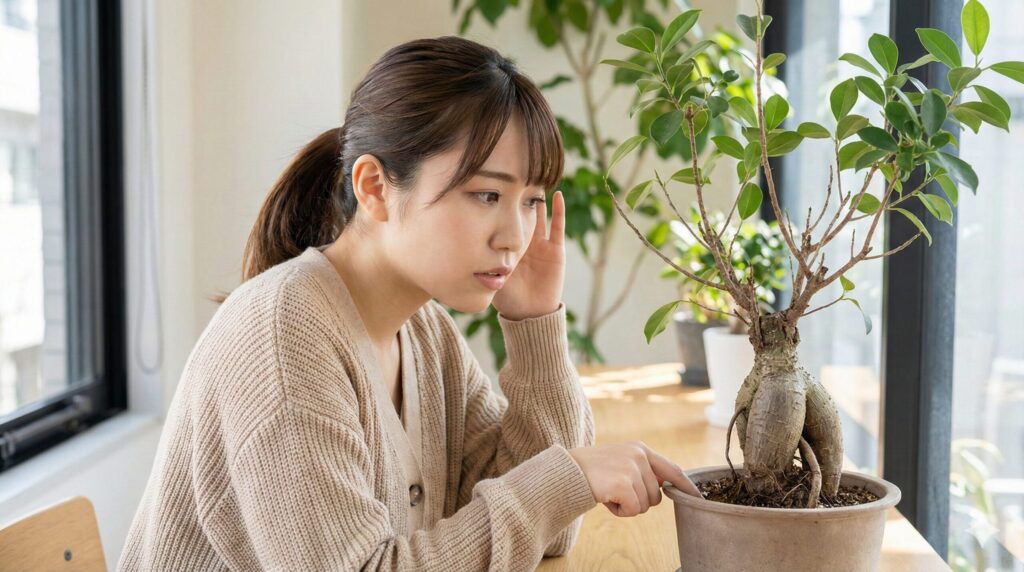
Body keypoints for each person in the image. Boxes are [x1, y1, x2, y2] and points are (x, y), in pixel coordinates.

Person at [119, 35, 699, 571]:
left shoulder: (421, 329)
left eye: (530, 201)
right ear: (374, 188)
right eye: (487, 194)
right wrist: (568, 476)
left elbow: (547, 532)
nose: (515, 236)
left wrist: (535, 324)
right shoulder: (281, 335)